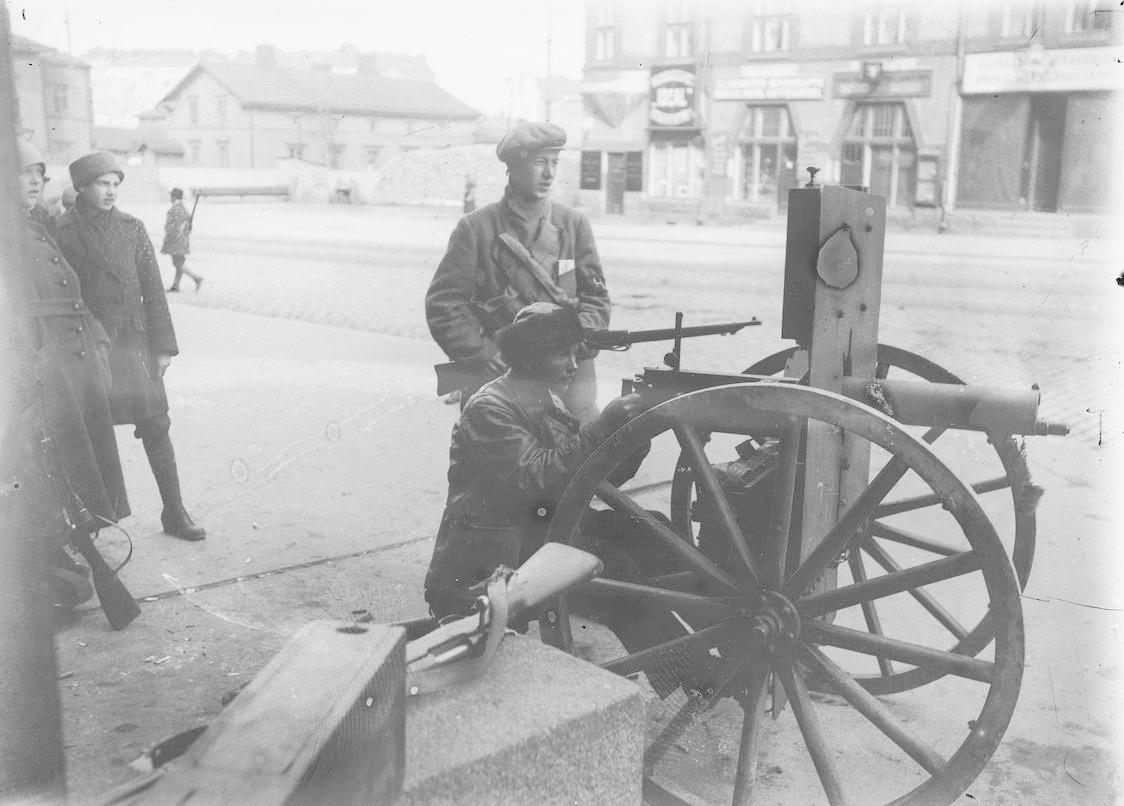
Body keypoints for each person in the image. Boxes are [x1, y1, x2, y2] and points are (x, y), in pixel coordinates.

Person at [423, 304, 695, 691]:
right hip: (488, 560)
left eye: (574, 353)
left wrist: (635, 433)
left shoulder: (542, 400)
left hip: (534, 532)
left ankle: (731, 633)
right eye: (562, 354)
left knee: (650, 531)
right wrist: (604, 426)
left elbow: (592, 477)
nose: (573, 365)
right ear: (531, 358)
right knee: (614, 569)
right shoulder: (491, 408)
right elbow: (541, 476)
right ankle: (693, 672)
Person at [0, 141, 131, 608]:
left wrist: (95, 341)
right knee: (41, 469)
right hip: (40, 365)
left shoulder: (35, 226)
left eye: (38, 172)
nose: (35, 181)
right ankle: (48, 568)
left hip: (68, 363)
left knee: (69, 464)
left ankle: (63, 554)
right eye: (21, 173)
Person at [54, 151, 205, 541]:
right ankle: (93, 521)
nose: (111, 191)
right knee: (89, 433)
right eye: (103, 184)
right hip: (90, 350)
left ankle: (174, 511)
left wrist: (163, 347)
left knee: (157, 424)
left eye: (116, 183)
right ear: (82, 187)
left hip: (134, 345)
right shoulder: (62, 231)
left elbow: (154, 290)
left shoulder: (132, 228)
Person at [425, 121, 610, 424]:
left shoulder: (574, 225)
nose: (549, 173)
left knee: (585, 455)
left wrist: (575, 339)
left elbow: (597, 299)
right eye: (539, 162)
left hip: (567, 375)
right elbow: (443, 305)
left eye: (554, 162)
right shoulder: (476, 228)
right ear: (512, 166)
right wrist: (482, 354)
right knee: (500, 460)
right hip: (502, 375)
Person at [161, 188, 203, 292]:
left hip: (175, 241)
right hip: (182, 240)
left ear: (174, 197)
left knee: (178, 263)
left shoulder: (174, 210)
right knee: (179, 262)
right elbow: (189, 227)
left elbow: (172, 228)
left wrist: (168, 240)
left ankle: (196, 278)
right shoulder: (183, 209)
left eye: (171, 196)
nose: (170, 198)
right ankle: (176, 285)